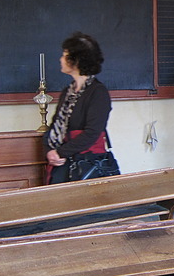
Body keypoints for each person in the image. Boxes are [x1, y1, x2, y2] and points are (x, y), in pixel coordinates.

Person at [44, 32, 118, 184]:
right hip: (63, 163)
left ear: (76, 60)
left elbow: (92, 133)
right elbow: (54, 126)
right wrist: (49, 151)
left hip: (86, 165)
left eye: (65, 55)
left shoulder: (98, 92)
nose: (60, 59)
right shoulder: (68, 91)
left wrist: (59, 152)